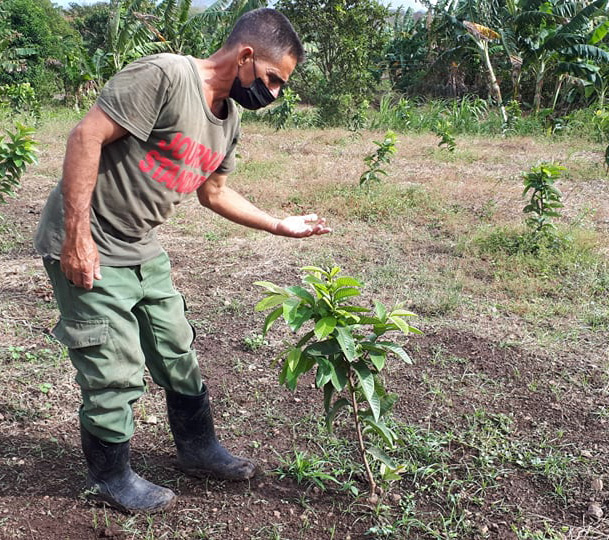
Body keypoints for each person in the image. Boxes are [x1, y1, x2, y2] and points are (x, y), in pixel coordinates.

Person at [34, 8, 330, 514]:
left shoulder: (228, 118)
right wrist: (78, 239)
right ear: (246, 55)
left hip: (142, 243)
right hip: (91, 237)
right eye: (273, 80)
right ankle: (112, 476)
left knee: (177, 351)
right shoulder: (165, 76)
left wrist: (279, 224)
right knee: (115, 367)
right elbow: (85, 138)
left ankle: (197, 447)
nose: (274, 94)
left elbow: (214, 193)